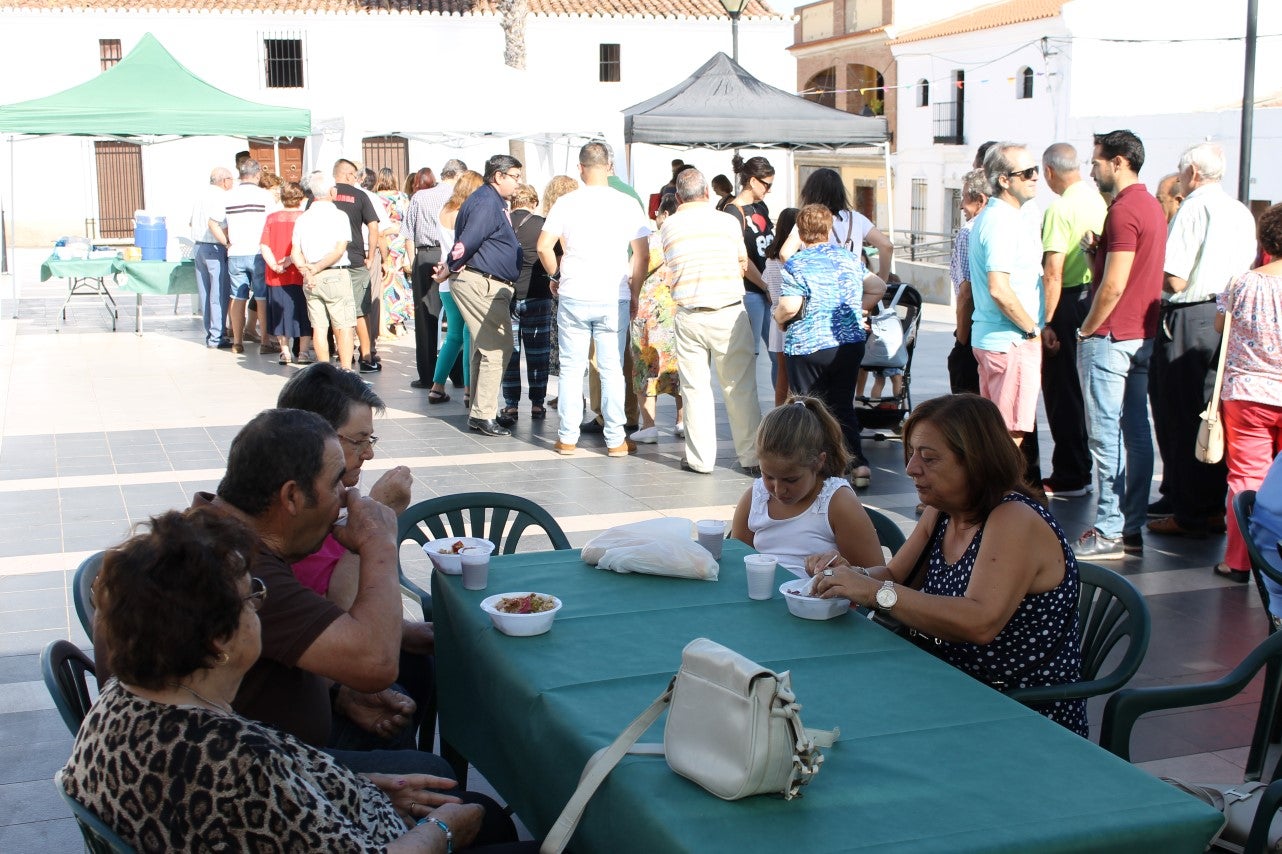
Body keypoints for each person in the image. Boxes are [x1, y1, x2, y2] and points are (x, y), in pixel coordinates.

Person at [65, 507, 531, 852]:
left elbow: (277, 790)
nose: (261, 609)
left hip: (344, 810)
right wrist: (444, 832)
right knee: (492, 826)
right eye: (252, 599)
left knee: (468, 806)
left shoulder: (121, 701)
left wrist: (366, 783)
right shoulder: (234, 759)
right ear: (217, 642)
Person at [804, 393, 1087, 737]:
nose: (910, 469)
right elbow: (895, 576)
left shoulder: (1013, 517)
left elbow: (979, 622)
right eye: (911, 454)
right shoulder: (944, 511)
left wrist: (873, 591)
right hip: (952, 686)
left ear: (976, 461)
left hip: (1019, 710)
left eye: (929, 458)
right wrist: (847, 577)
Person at [278, 362, 433, 750]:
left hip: (322, 671)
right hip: (292, 717)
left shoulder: (330, 500)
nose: (368, 454)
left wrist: (404, 631)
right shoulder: (293, 514)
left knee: (426, 665)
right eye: (358, 440)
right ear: (317, 440)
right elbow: (344, 611)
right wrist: (379, 521)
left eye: (372, 440)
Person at [1148, 142, 1258, 540]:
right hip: (1226, 315)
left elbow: (1175, 276)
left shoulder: (1194, 206)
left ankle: (1190, 511)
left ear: (1192, 173)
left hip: (1191, 313)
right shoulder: (1240, 210)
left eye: (1180, 174)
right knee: (1208, 413)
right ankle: (1202, 503)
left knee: (1180, 414)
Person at [1073, 130, 1167, 560]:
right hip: (1139, 335)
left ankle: (1110, 529)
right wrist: (1098, 250)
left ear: (1118, 162)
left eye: (1096, 162)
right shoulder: (1151, 206)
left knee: (1106, 436)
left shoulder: (1124, 210)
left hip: (1112, 336)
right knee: (1135, 433)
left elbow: (1112, 285)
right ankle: (1129, 528)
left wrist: (1086, 328)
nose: (1092, 170)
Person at [537, 141, 649, 457]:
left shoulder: (566, 202)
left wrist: (555, 276)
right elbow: (642, 255)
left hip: (574, 292)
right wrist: (636, 291)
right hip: (613, 294)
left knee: (573, 369)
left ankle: (568, 437)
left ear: (581, 168)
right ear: (609, 166)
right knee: (612, 368)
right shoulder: (627, 204)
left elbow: (544, 246)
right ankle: (615, 440)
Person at [659, 167, 763, 475]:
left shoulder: (669, 225)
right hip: (729, 310)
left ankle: (700, 459)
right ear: (707, 193)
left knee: (695, 389)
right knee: (739, 388)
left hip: (690, 313)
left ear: (678, 197)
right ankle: (752, 456)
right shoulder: (728, 221)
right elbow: (742, 262)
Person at [774, 204, 886, 487]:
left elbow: (790, 305)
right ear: (828, 229)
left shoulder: (797, 263)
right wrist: (856, 311)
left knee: (807, 408)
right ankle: (858, 465)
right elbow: (878, 287)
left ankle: (814, 468)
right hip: (848, 343)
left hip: (808, 345)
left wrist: (778, 317)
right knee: (842, 405)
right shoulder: (848, 258)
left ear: (800, 231)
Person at [731, 397, 883, 572]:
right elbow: (737, 564)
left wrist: (842, 571)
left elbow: (879, 579)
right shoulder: (756, 498)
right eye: (768, 476)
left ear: (819, 462)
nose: (779, 490)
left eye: (791, 479)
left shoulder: (837, 503)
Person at [435, 155, 524, 437]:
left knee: (483, 347)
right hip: (482, 283)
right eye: (515, 177)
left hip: (483, 282)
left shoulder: (488, 200)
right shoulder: (487, 202)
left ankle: (479, 410)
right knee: (496, 348)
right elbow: (467, 241)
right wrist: (449, 266)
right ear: (498, 176)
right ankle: (483, 414)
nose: (518, 183)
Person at [1216, 204, 1282, 582]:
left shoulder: (1243, 282)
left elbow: (1221, 324)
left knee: (1246, 478)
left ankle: (1240, 561)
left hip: (1247, 392)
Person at [1039, 143, 1106, 497]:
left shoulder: (1059, 208)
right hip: (1092, 299)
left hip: (1065, 301)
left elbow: (1053, 269)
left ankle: (1071, 472)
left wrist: (1045, 322)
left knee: (1061, 389)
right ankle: (1082, 467)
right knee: (1084, 390)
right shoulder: (1100, 201)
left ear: (1049, 171)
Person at [968, 142, 1045, 448]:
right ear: (1004, 180)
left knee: (996, 434)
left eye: (1035, 169)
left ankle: (991, 494)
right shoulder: (1001, 221)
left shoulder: (1001, 217)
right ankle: (997, 496)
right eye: (1026, 172)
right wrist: (1031, 328)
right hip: (1010, 340)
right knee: (1009, 435)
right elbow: (999, 288)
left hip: (998, 339)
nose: (1035, 177)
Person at [629, 193, 684, 443]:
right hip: (677, 312)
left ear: (663, 215)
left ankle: (649, 426)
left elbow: (632, 272)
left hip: (648, 315)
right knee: (678, 367)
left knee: (645, 367)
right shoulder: (685, 240)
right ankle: (681, 421)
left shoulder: (650, 241)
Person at [406, 159, 464, 392]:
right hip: (455, 256)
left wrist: (413, 262)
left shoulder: (420, 196)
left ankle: (428, 374)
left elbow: (408, 233)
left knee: (426, 319)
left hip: (427, 255)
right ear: (460, 175)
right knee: (456, 317)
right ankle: (459, 374)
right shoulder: (462, 198)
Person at [429, 170, 484, 406]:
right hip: (464, 275)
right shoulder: (468, 212)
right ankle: (469, 390)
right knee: (468, 335)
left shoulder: (445, 210)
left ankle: (437, 386)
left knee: (452, 335)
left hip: (445, 276)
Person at [501, 184, 554, 422]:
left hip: (508, 294)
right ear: (533, 202)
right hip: (539, 294)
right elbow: (555, 254)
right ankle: (537, 403)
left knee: (510, 352)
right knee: (539, 352)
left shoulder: (503, 223)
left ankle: (511, 404)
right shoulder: (543, 224)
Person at [783, 167, 894, 281]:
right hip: (854, 289)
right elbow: (887, 246)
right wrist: (883, 280)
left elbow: (785, 254)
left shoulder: (807, 220)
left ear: (809, 192)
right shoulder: (857, 218)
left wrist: (804, 278)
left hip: (822, 291)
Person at [291, 171, 355, 370]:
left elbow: (295, 252)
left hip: (311, 279)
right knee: (343, 325)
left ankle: (324, 372)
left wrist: (307, 272)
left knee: (319, 327)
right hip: (334, 273)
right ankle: (345, 372)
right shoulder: (339, 216)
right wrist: (317, 267)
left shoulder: (303, 218)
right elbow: (339, 249)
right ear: (331, 191)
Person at [333, 159, 384, 373]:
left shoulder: (324, 196)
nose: (356, 180)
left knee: (335, 310)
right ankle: (366, 357)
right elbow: (374, 228)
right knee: (362, 311)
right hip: (355, 260)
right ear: (346, 175)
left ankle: (341, 356)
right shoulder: (361, 196)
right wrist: (370, 256)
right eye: (355, 176)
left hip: (330, 262)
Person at [722, 155, 775, 356]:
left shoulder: (761, 207)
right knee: (749, 354)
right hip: (750, 291)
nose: (768, 190)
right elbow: (739, 257)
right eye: (767, 185)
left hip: (768, 289)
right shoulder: (733, 212)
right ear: (753, 181)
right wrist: (764, 285)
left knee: (778, 353)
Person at [225, 158, 278, 354]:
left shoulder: (229, 196)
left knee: (237, 296)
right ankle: (265, 340)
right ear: (257, 175)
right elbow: (272, 222)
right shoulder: (264, 196)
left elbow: (219, 223)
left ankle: (237, 341)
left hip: (236, 252)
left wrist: (227, 241)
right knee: (262, 297)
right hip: (258, 251)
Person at [259, 180, 313, 365]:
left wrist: (274, 265)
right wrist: (292, 259)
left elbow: (264, 245)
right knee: (303, 313)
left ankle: (285, 352)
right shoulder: (306, 217)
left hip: (277, 275)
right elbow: (308, 245)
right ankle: (304, 352)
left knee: (281, 313)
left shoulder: (272, 218)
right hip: (300, 272)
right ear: (300, 198)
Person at [540, 175, 580, 405]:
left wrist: (555, 275)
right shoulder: (581, 217)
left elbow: (548, 249)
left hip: (564, 285)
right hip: (584, 284)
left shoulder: (555, 222)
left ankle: (569, 396)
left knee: (566, 344)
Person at [190, 166, 234, 348]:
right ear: (224, 181)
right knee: (218, 294)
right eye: (232, 179)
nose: (233, 182)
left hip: (199, 247)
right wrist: (227, 242)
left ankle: (211, 332)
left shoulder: (201, 195)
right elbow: (219, 224)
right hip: (214, 248)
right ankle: (217, 336)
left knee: (206, 294)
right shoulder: (221, 197)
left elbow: (191, 221)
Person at [762, 207, 798, 406]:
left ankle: (779, 413)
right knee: (797, 374)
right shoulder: (797, 259)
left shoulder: (770, 259)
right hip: (795, 318)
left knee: (781, 374)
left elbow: (768, 287)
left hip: (776, 318)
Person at [375, 168, 415, 338]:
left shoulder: (376, 197)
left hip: (383, 239)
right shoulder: (402, 197)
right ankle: (398, 323)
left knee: (385, 280)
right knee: (399, 280)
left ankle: (385, 320)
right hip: (399, 238)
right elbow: (408, 218)